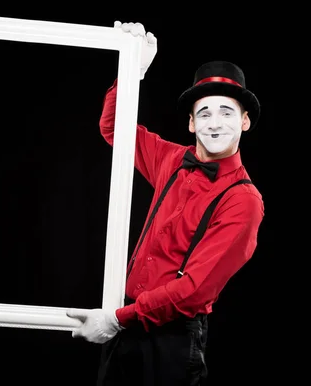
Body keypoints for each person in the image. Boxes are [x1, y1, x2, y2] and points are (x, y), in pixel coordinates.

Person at [66, 21, 265, 385]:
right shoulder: (172, 159)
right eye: (205, 113)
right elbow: (114, 129)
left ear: (245, 122)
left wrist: (114, 319)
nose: (215, 123)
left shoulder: (243, 200)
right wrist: (133, 69)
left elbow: (193, 292)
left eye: (227, 112)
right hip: (126, 325)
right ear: (191, 123)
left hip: (172, 342)